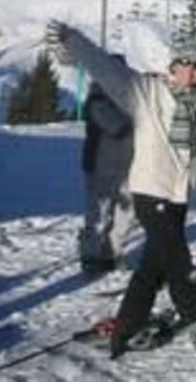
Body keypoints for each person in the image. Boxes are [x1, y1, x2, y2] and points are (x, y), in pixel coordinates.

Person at [46, 20, 196, 362]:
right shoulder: (146, 93)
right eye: (187, 66)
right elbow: (105, 67)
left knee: (151, 271)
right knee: (180, 266)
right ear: (173, 67)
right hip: (152, 196)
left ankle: (125, 329)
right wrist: (74, 41)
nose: (193, 75)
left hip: (179, 200)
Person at [79, 55, 134, 276]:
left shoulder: (129, 98)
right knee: (98, 213)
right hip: (100, 165)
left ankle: (112, 252)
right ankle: (91, 255)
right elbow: (117, 126)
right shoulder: (98, 99)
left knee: (126, 212)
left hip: (127, 164)